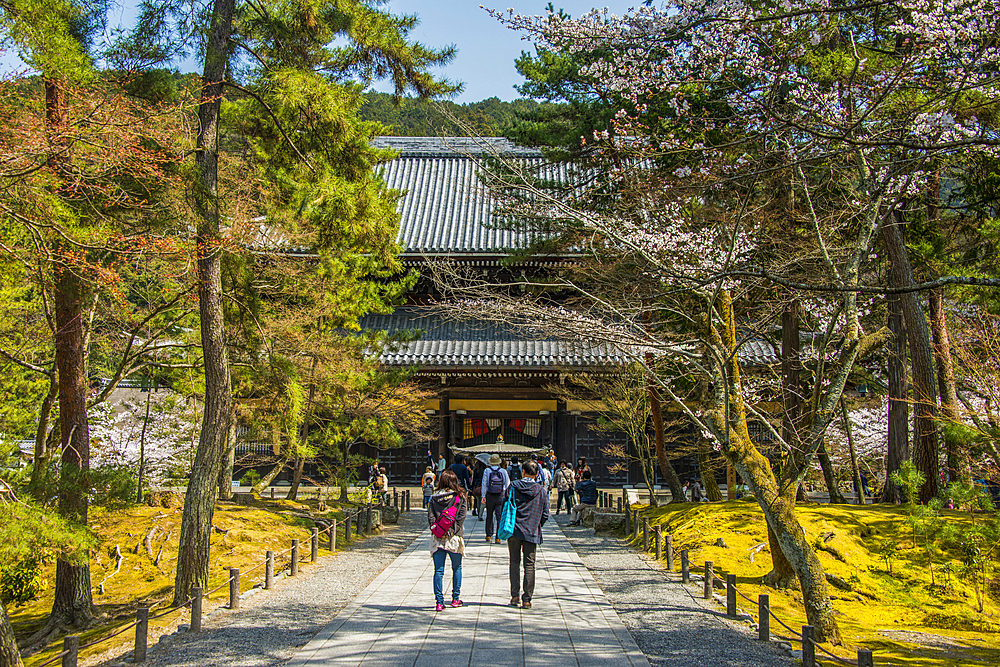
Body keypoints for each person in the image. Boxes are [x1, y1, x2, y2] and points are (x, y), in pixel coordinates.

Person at [504, 460, 549, 609]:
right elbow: (546, 513)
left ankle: (514, 595)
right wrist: (537, 524)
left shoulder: (513, 487)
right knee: (529, 565)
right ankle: (527, 599)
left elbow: (505, 502)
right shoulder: (541, 491)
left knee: (514, 562)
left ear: (523, 472)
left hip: (514, 529)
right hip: (532, 530)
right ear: (536, 474)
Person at [427, 469, 467, 611]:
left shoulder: (433, 498)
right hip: (454, 538)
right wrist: (450, 532)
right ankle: (455, 598)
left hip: (438, 538)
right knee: (456, 567)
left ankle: (439, 601)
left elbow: (431, 518)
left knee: (438, 570)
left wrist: (438, 531)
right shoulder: (460, 497)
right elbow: (460, 518)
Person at [482, 453, 510, 543]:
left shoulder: (487, 470)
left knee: (489, 515)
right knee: (499, 516)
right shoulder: (503, 471)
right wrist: (505, 493)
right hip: (500, 495)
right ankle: (498, 537)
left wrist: (483, 496)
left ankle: (488, 535)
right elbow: (507, 484)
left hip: (490, 495)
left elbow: (484, 484)